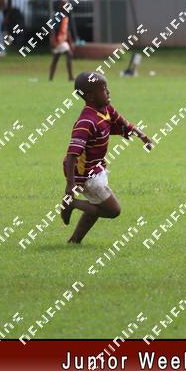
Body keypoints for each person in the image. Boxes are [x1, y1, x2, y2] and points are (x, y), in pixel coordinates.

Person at [61, 72, 153, 243]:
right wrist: (70, 184)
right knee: (113, 210)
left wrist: (142, 136)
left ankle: (75, 240)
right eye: (103, 89)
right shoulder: (86, 122)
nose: (108, 91)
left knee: (97, 204)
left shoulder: (106, 110)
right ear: (91, 97)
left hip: (97, 167)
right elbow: (72, 154)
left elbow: (124, 124)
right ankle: (71, 204)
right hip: (85, 174)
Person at [49, 0, 74, 81]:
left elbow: (67, 30)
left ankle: (51, 78)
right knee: (67, 55)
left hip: (63, 40)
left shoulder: (66, 15)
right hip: (58, 40)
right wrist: (52, 40)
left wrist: (70, 42)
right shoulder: (58, 16)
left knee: (57, 58)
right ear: (60, 5)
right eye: (65, 4)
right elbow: (53, 29)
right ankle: (70, 77)